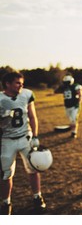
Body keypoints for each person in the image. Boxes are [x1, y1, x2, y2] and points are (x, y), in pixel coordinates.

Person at [0, 72, 46, 215]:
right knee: (6, 174)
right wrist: (3, 117)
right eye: (17, 83)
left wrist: (35, 136)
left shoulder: (27, 94)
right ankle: (6, 202)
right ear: (7, 84)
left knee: (33, 168)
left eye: (22, 83)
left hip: (25, 137)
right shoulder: (0, 99)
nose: (21, 85)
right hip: (7, 140)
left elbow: (32, 116)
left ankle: (37, 196)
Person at [62, 74, 82, 139]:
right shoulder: (64, 88)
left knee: (74, 119)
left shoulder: (75, 86)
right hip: (67, 106)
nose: (66, 84)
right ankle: (72, 128)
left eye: (67, 82)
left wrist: (79, 103)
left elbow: (81, 94)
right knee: (71, 119)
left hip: (74, 106)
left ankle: (74, 132)